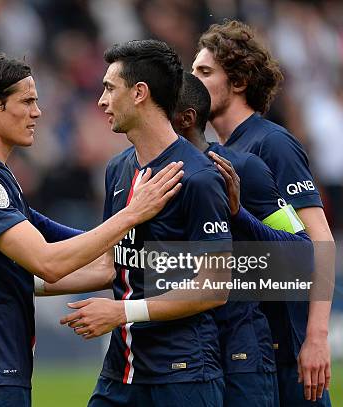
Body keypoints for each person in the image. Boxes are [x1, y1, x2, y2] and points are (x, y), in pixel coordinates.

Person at [0, 52, 184, 407]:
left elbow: (76, 246)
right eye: (27, 101)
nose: (37, 112)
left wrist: (144, 251)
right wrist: (131, 214)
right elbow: (48, 262)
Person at [54, 39, 233, 407]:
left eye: (109, 89)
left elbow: (215, 286)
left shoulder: (198, 176)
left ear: (139, 93)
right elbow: (110, 264)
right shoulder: (117, 169)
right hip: (122, 371)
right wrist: (24, 284)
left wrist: (121, 312)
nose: (101, 101)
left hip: (183, 372)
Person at [192, 20, 335, 405]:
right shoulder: (216, 152)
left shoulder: (272, 143)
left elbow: (318, 240)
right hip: (252, 349)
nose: (192, 82)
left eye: (204, 72)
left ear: (238, 82)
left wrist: (316, 339)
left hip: (288, 352)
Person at [173, 72, 313, 406]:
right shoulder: (145, 175)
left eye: (206, 70)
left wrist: (239, 215)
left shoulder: (243, 167)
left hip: (243, 350)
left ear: (186, 118)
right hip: (180, 354)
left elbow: (303, 254)